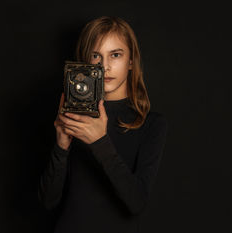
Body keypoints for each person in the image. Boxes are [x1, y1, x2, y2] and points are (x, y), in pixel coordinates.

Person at [38, 16, 168, 233]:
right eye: (96, 55)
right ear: (85, 61)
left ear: (130, 61)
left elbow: (136, 203)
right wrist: (61, 147)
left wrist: (100, 141)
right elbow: (48, 201)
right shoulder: (75, 116)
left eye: (115, 55)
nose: (104, 66)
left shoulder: (152, 124)